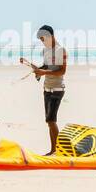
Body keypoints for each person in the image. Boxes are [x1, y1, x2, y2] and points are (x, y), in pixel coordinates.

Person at [20, 25, 66, 154]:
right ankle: (53, 150)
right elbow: (47, 67)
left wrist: (43, 72)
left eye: (43, 38)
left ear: (50, 36)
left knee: (51, 120)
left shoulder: (60, 50)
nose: (42, 41)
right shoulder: (46, 51)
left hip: (57, 89)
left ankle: (56, 151)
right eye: (40, 39)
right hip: (46, 88)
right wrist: (37, 70)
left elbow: (62, 71)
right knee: (49, 122)